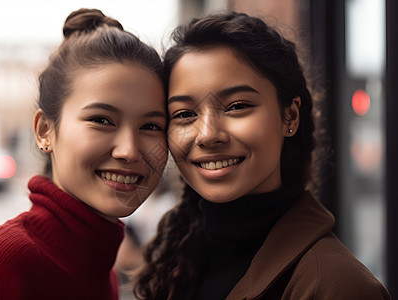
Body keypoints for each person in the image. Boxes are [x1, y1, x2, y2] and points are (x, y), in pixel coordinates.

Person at [133, 12, 391, 300]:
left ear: (289, 116)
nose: (207, 134)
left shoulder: (335, 285)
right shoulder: (177, 259)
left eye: (237, 106)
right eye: (184, 114)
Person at [0, 8, 167, 300]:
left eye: (151, 126)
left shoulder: (104, 273)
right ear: (45, 131)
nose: (129, 150)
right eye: (101, 120)